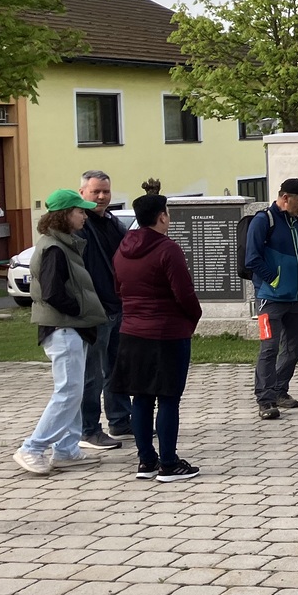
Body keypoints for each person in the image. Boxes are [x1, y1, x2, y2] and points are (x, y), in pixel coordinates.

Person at [13, 189, 108, 475]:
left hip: (71, 328)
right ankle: (32, 448)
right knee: (68, 392)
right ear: (64, 215)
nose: (84, 216)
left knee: (73, 391)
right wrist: (79, 309)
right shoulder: (54, 248)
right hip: (63, 328)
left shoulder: (63, 244)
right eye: (79, 211)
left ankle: (66, 449)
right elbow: (52, 292)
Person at [110, 194, 203, 482]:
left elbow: (118, 288)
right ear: (162, 216)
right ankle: (169, 463)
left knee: (141, 397)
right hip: (166, 333)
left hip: (132, 331)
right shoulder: (168, 249)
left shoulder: (122, 249)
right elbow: (184, 292)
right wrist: (193, 316)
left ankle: (146, 460)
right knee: (168, 398)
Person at [246, 178, 298, 420]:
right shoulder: (263, 221)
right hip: (270, 299)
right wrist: (273, 280)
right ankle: (265, 400)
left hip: (297, 298)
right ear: (285, 198)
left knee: (294, 350)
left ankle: (279, 389)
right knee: (269, 349)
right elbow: (252, 259)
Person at [78, 170, 132, 451]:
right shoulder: (80, 226)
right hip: (94, 311)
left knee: (118, 368)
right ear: (82, 193)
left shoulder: (113, 223)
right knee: (92, 375)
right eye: (96, 191)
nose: (101, 197)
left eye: (106, 192)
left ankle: (120, 420)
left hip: (118, 306)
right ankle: (88, 429)